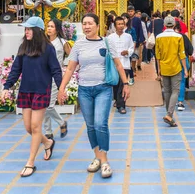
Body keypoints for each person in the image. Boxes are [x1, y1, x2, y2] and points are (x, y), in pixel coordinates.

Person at [57, 13, 130, 179]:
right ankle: (97, 156)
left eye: (90, 23)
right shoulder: (78, 45)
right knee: (90, 125)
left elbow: (118, 64)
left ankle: (104, 161)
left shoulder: (107, 41)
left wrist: (125, 84)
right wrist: (62, 88)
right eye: (84, 23)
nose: (87, 26)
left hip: (103, 88)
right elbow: (70, 68)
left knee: (100, 124)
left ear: (97, 25)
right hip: (84, 90)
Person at [2, 17, 62, 178]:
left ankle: (30, 162)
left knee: (36, 126)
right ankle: (48, 142)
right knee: (29, 128)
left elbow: (56, 70)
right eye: (25, 29)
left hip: (42, 90)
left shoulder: (48, 49)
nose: (26, 32)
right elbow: (16, 69)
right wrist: (7, 87)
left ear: (37, 31)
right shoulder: (24, 47)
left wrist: (61, 88)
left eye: (29, 29)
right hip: (26, 91)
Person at [155, 15, 188, 127]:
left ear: (164, 25)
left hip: (164, 67)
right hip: (175, 67)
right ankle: (169, 114)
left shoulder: (159, 37)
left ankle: (169, 115)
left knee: (167, 91)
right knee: (175, 91)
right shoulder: (178, 36)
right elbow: (182, 54)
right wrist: (185, 68)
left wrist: (159, 69)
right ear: (174, 25)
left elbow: (157, 55)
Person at [44, 19, 70, 139]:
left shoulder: (63, 42)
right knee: (44, 105)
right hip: (43, 76)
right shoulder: (44, 42)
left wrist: (68, 69)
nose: (49, 29)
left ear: (57, 29)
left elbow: (72, 57)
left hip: (56, 76)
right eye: (48, 26)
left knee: (49, 105)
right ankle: (48, 132)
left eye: (52, 26)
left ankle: (61, 122)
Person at [107, 16, 134, 114]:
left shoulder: (128, 36)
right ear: (115, 26)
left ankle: (121, 105)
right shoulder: (110, 38)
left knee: (123, 84)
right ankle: (117, 100)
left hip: (125, 63)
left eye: (122, 24)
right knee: (115, 83)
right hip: (114, 65)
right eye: (119, 24)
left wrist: (127, 52)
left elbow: (132, 48)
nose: (121, 26)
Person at [174, 21, 193, 112]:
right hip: (183, 60)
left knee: (173, 81)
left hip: (172, 61)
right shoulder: (184, 37)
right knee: (182, 81)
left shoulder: (170, 38)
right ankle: (180, 102)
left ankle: (172, 101)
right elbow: (190, 51)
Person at [128, 6, 145, 71]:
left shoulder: (137, 20)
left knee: (134, 55)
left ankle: (133, 68)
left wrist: (141, 39)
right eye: (129, 11)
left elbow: (140, 29)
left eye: (131, 11)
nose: (130, 13)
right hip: (127, 40)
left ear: (134, 12)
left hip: (135, 40)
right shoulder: (126, 19)